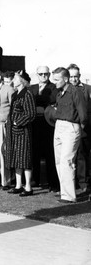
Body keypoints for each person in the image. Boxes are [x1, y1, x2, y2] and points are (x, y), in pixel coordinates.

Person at [50, 67, 87, 203]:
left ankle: (69, 196)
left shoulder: (75, 91)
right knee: (59, 161)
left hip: (71, 127)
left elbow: (83, 114)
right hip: (59, 126)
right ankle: (64, 192)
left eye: (57, 79)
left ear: (65, 79)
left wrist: (78, 129)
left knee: (67, 161)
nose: (54, 82)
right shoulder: (60, 93)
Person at [5, 70, 37, 197]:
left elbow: (31, 114)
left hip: (23, 131)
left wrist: (17, 122)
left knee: (25, 159)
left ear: (22, 80)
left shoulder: (27, 94)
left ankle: (28, 186)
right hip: (13, 132)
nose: (14, 80)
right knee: (16, 158)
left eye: (16, 78)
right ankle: (18, 185)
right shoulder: (15, 94)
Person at [28, 66, 58, 190]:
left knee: (49, 154)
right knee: (34, 153)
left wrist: (37, 100)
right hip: (34, 124)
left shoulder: (54, 87)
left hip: (48, 125)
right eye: (41, 74)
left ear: (49, 74)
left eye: (46, 74)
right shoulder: (32, 88)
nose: (44, 76)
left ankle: (52, 182)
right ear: (37, 74)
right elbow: (30, 101)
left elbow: (51, 99)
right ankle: (35, 179)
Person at [67, 64, 91, 193]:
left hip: (83, 128)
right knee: (70, 156)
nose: (73, 79)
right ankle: (71, 182)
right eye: (71, 76)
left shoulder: (87, 89)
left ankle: (83, 182)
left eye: (76, 76)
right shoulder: (64, 90)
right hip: (68, 128)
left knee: (82, 155)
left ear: (80, 76)